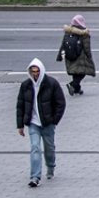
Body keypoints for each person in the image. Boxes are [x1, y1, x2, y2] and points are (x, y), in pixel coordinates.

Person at [17, 58, 66, 188]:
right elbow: (20, 105)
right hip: (33, 123)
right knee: (35, 147)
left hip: (48, 123)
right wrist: (20, 125)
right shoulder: (26, 85)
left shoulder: (51, 83)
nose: (35, 74)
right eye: (33, 71)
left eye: (37, 71)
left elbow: (61, 103)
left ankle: (51, 167)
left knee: (49, 148)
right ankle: (35, 176)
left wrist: (54, 120)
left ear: (41, 70)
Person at [61, 15, 95, 95]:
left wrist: (60, 55)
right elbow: (87, 47)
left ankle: (77, 89)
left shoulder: (68, 31)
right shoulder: (84, 33)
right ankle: (72, 84)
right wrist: (89, 56)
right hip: (80, 57)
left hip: (70, 56)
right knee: (82, 73)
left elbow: (63, 45)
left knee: (76, 72)